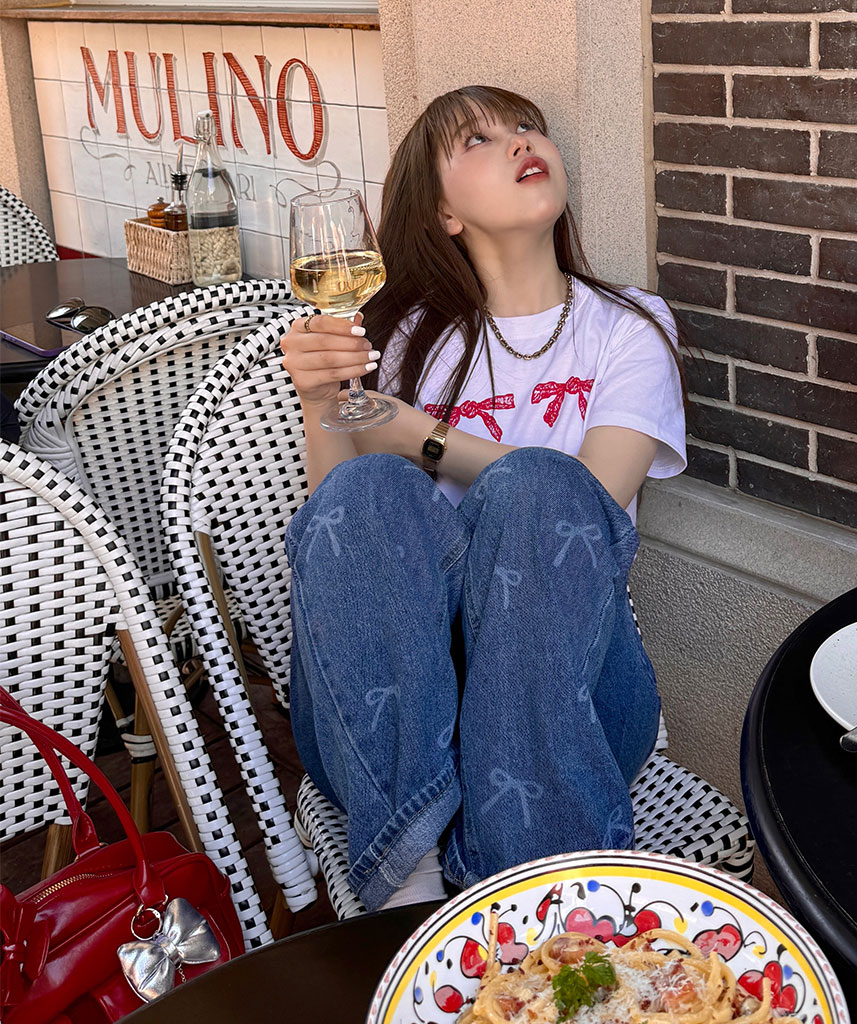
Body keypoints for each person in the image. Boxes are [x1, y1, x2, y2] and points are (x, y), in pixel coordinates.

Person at [280, 86, 687, 912]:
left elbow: (594, 507)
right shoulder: (403, 339)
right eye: (478, 140)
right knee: (368, 484)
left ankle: (537, 892)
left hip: (573, 706)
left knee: (543, 485)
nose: (519, 143)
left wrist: (423, 435)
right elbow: (341, 538)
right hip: (394, 721)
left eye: (527, 128)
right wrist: (322, 402)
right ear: (443, 214)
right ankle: (411, 881)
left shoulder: (630, 328)